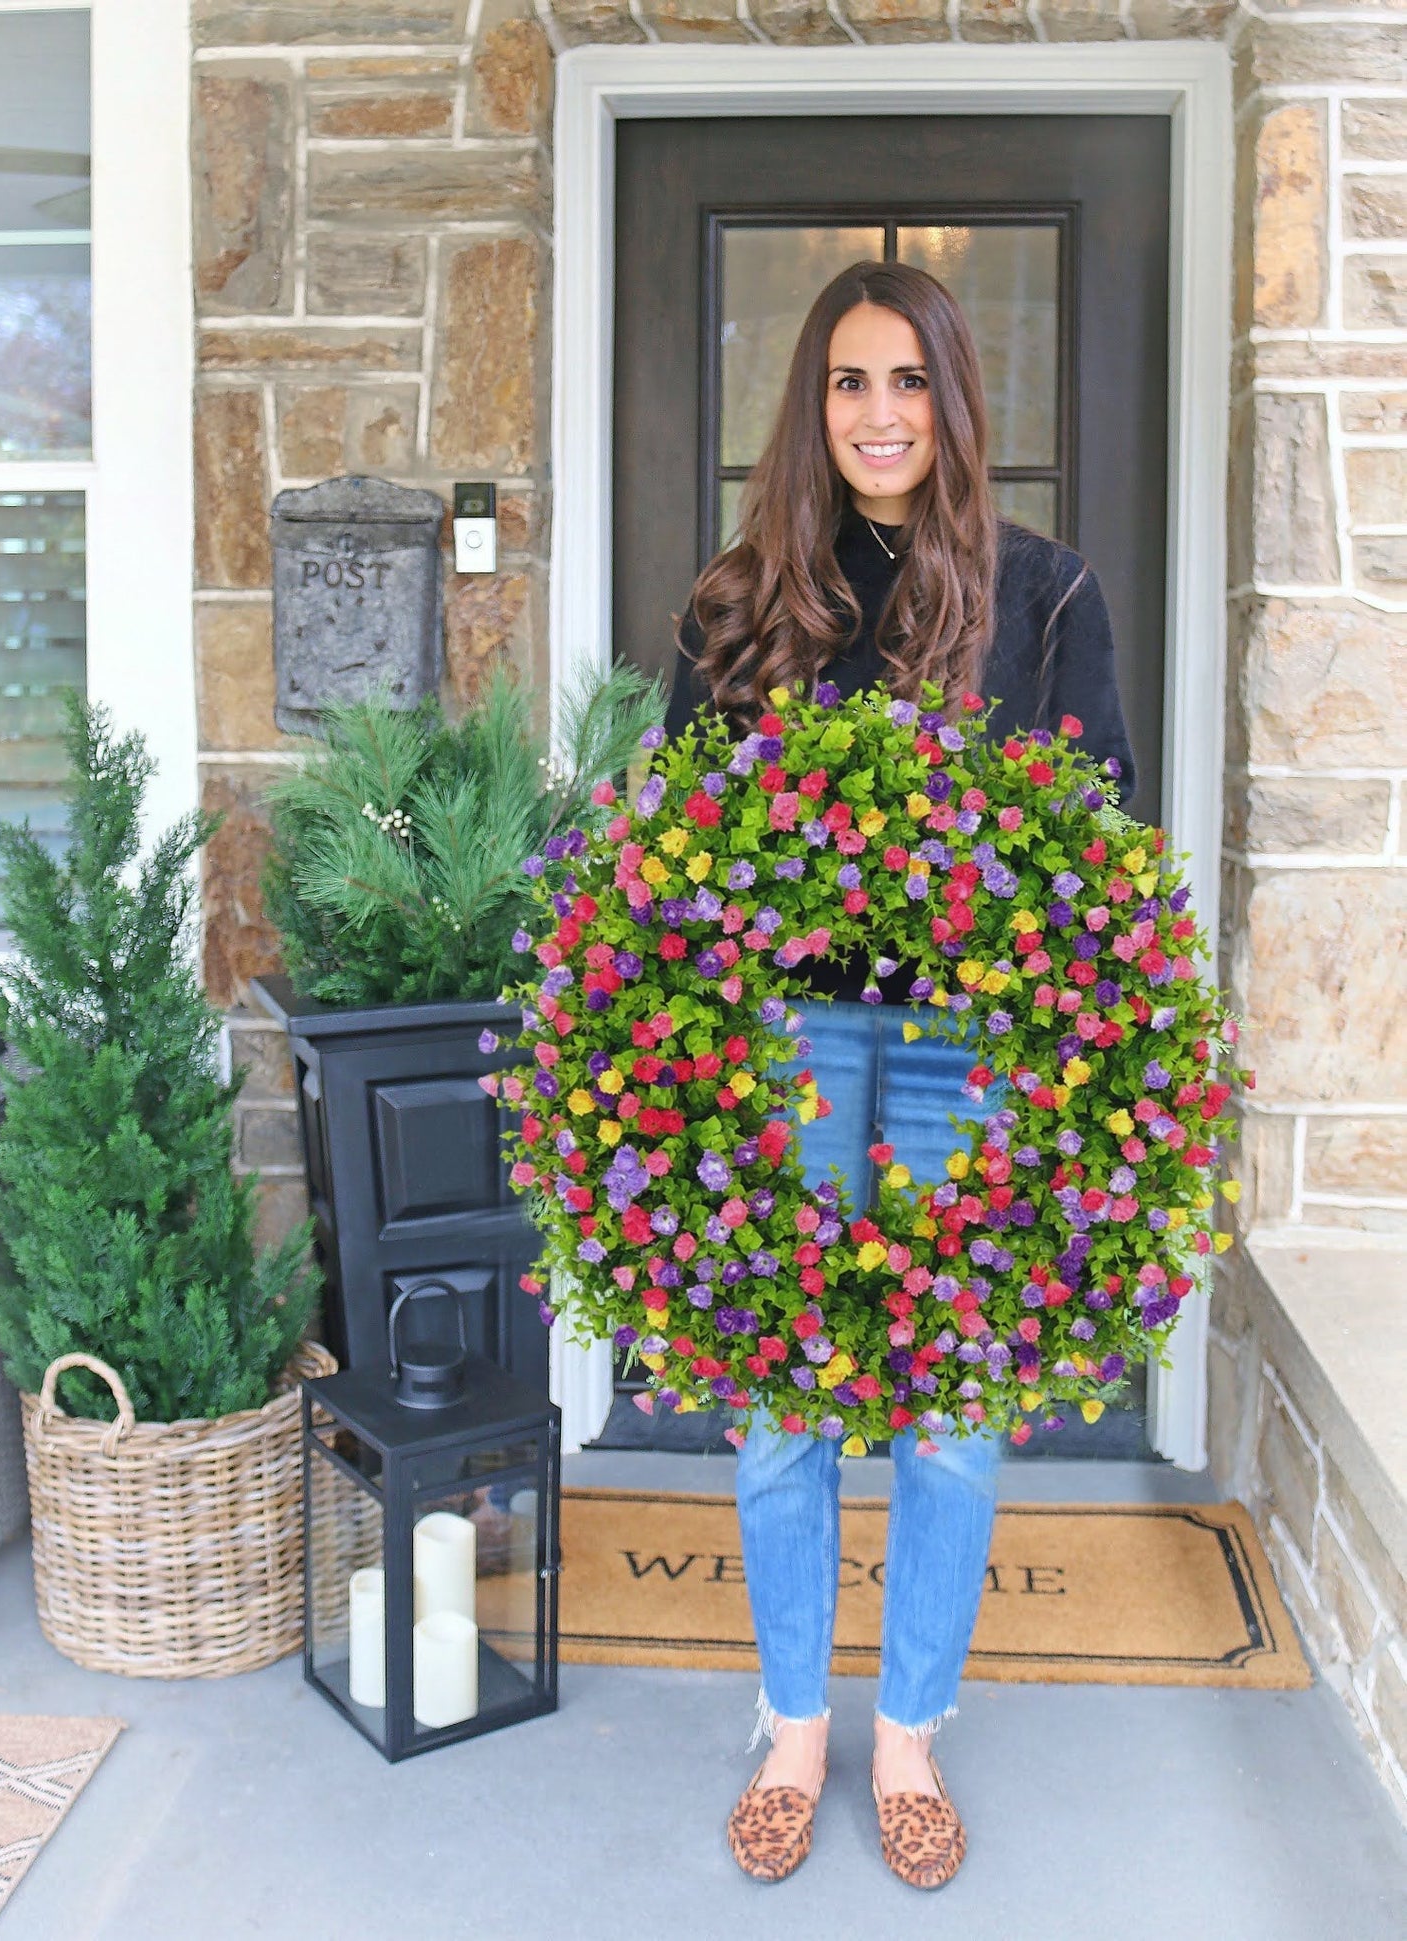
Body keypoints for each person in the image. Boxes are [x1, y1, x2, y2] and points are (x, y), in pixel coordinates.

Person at [661, 260, 1136, 1889]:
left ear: (952, 400)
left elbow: (1106, 835)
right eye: (849, 384)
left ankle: (909, 1731)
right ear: (812, 406)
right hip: (786, 1043)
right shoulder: (736, 601)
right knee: (786, 1399)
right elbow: (675, 851)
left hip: (961, 1050)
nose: (878, 416)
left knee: (946, 1403)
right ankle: (796, 1724)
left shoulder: (1043, 594)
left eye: (909, 382)